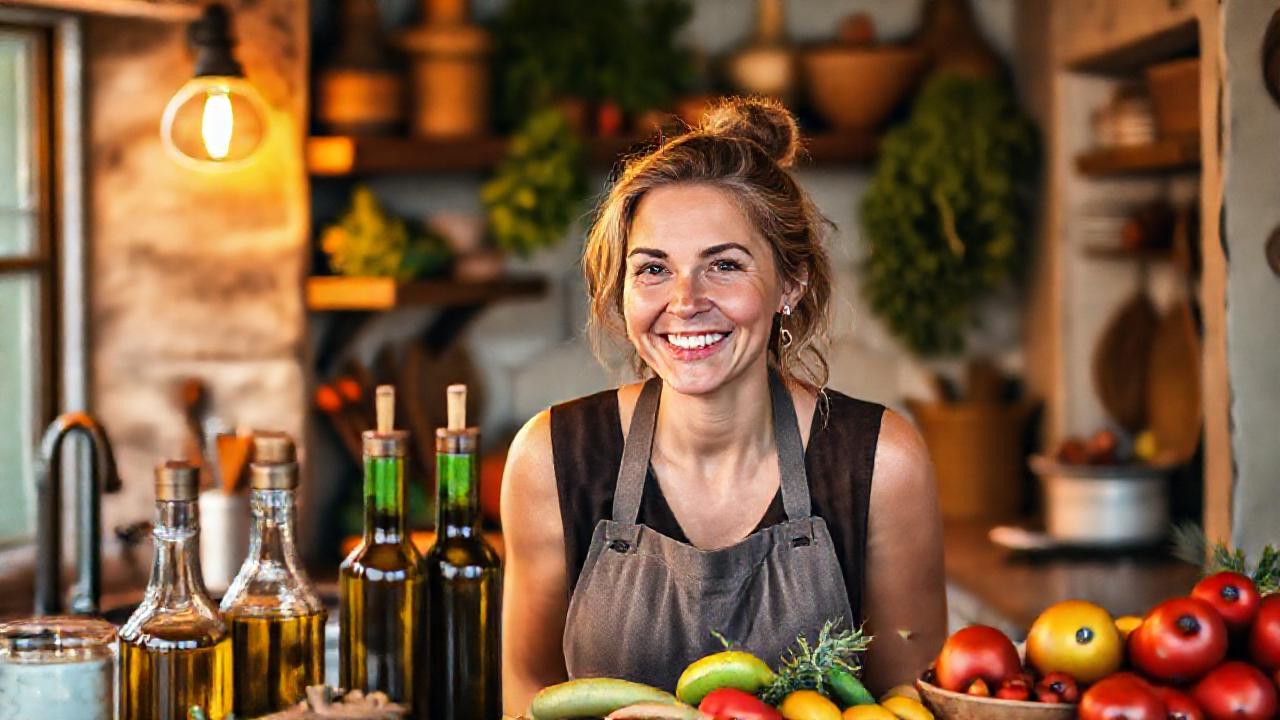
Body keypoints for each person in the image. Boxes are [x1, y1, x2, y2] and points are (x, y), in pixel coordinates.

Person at [500, 97, 946, 714]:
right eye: (653, 269)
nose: (685, 301)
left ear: (791, 283)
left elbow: (913, 701)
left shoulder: (881, 462)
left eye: (725, 265)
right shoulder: (551, 458)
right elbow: (527, 692)